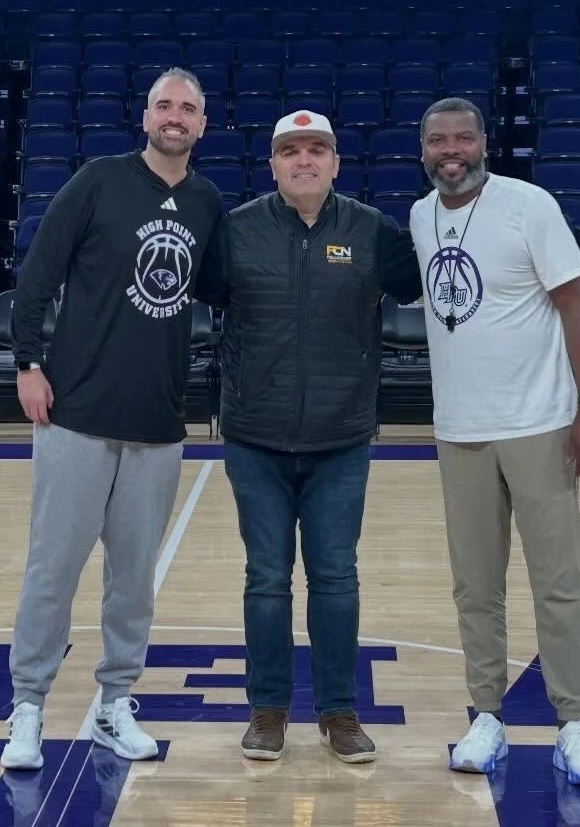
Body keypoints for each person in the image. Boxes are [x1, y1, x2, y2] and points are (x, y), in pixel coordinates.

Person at [0, 67, 223, 771]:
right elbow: (38, 273)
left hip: (156, 422)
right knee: (53, 570)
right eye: (165, 104)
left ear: (202, 124)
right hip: (77, 414)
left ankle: (113, 703)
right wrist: (26, 362)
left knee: (133, 582)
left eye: (188, 108)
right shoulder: (99, 180)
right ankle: (28, 706)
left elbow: (223, 291)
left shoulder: (209, 202)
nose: (175, 116)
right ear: (146, 113)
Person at [194, 109, 423, 765]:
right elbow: (197, 296)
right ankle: (267, 710)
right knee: (266, 578)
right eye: (290, 150)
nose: (304, 160)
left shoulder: (373, 231)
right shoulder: (234, 233)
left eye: (316, 149)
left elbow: (425, 283)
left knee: (335, 577)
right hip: (254, 436)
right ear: (272, 164)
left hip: (341, 437)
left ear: (335, 162)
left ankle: (338, 712)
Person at [407, 96, 580, 786]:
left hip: (539, 423)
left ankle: (574, 723)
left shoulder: (530, 205)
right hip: (460, 429)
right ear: (424, 149)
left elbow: (575, 305)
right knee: (475, 586)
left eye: (463, 138)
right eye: (438, 141)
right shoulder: (419, 215)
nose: (451, 151)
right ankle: (486, 715)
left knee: (557, 582)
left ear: (485, 143)